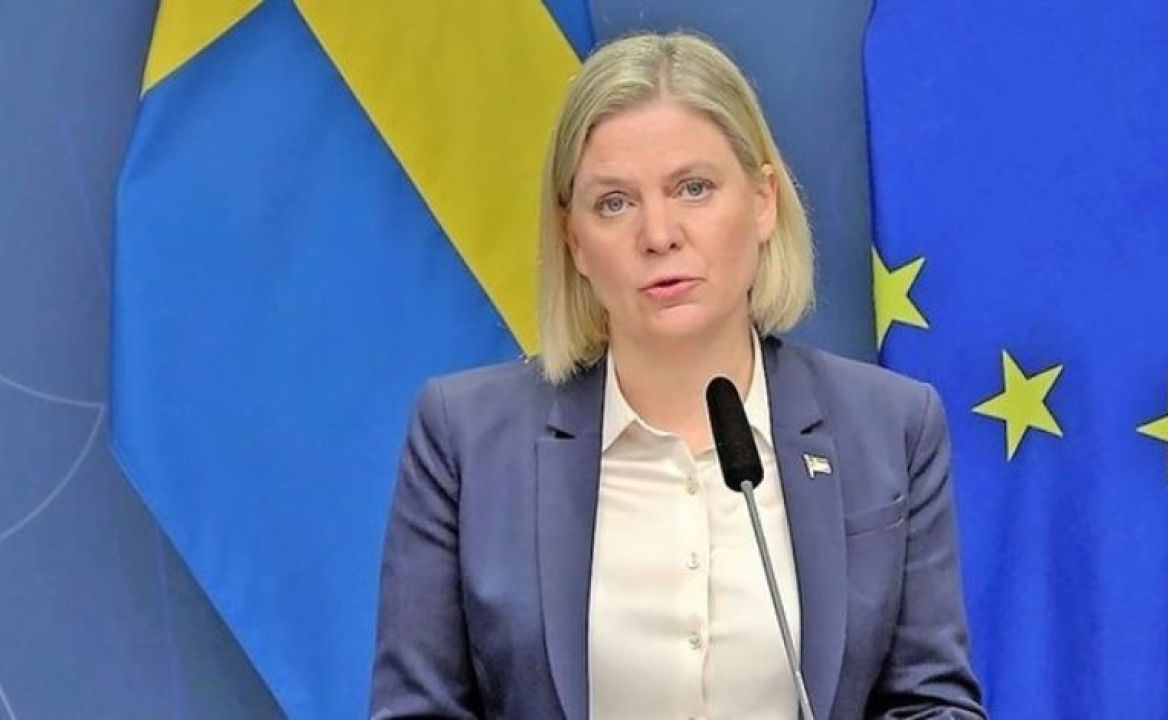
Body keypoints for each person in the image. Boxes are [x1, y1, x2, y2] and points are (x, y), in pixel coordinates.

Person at [369, 31, 985, 720]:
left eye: (693, 189)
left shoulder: (889, 426)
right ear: (574, 240)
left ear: (762, 202)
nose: (658, 234)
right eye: (614, 202)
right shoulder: (467, 438)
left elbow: (930, 703)